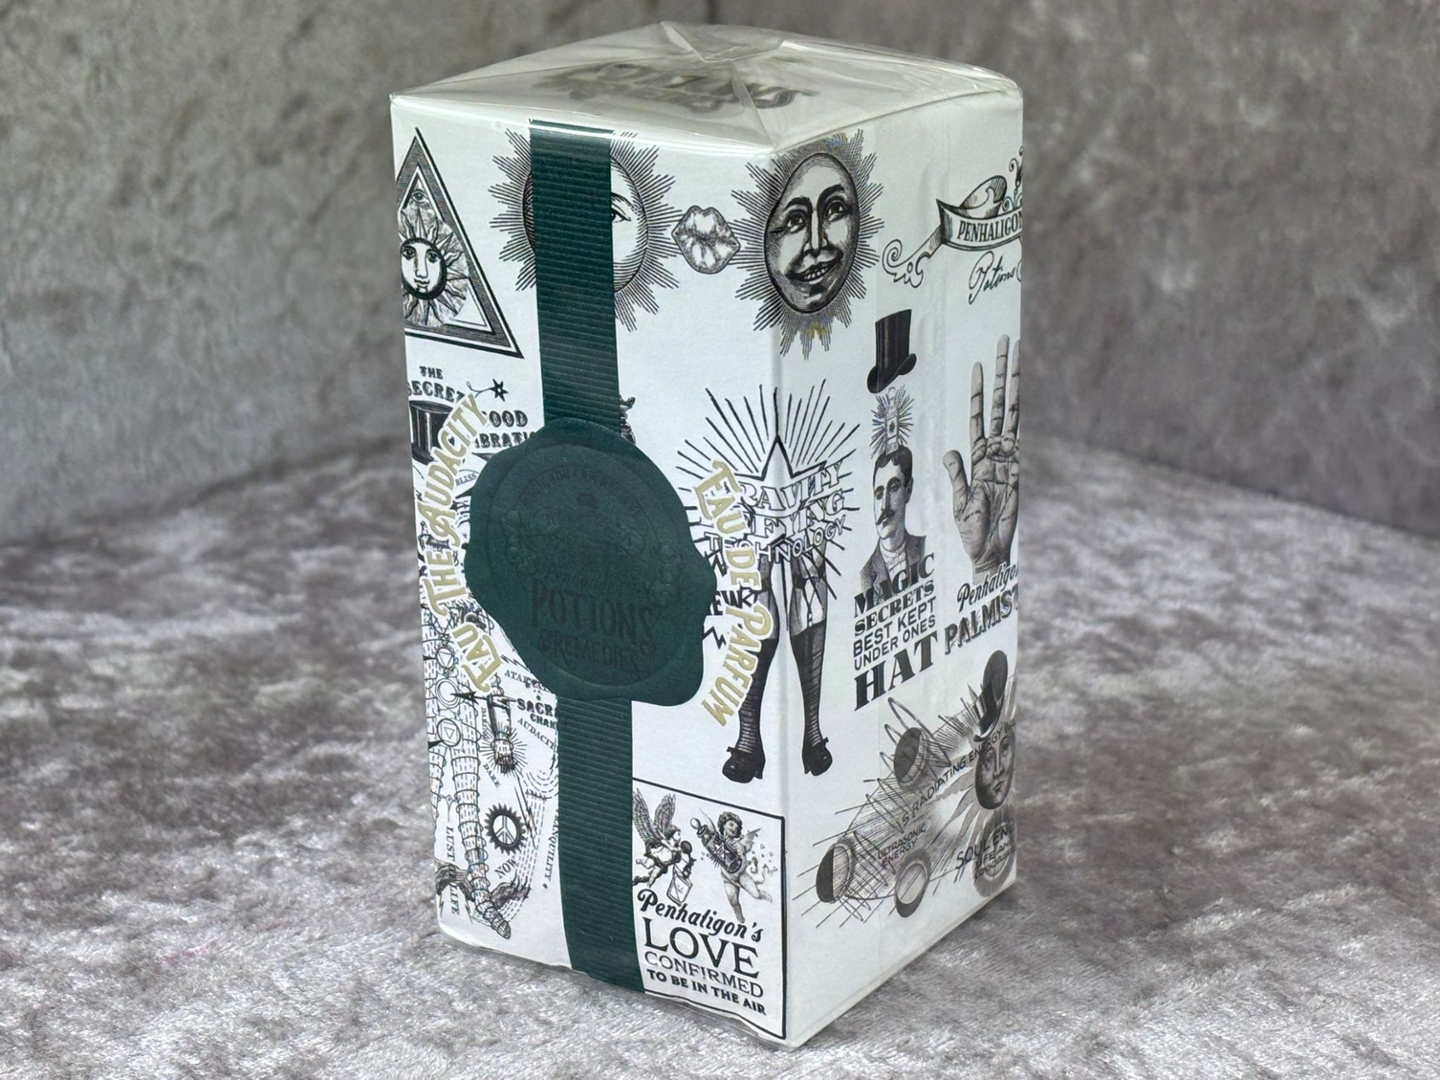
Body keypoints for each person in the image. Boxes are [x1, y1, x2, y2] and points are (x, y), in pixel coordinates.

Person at [861, 445, 926, 596]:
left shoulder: (926, 548)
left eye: (893, 488)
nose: (884, 505)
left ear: (908, 490)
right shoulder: (864, 577)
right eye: (879, 494)